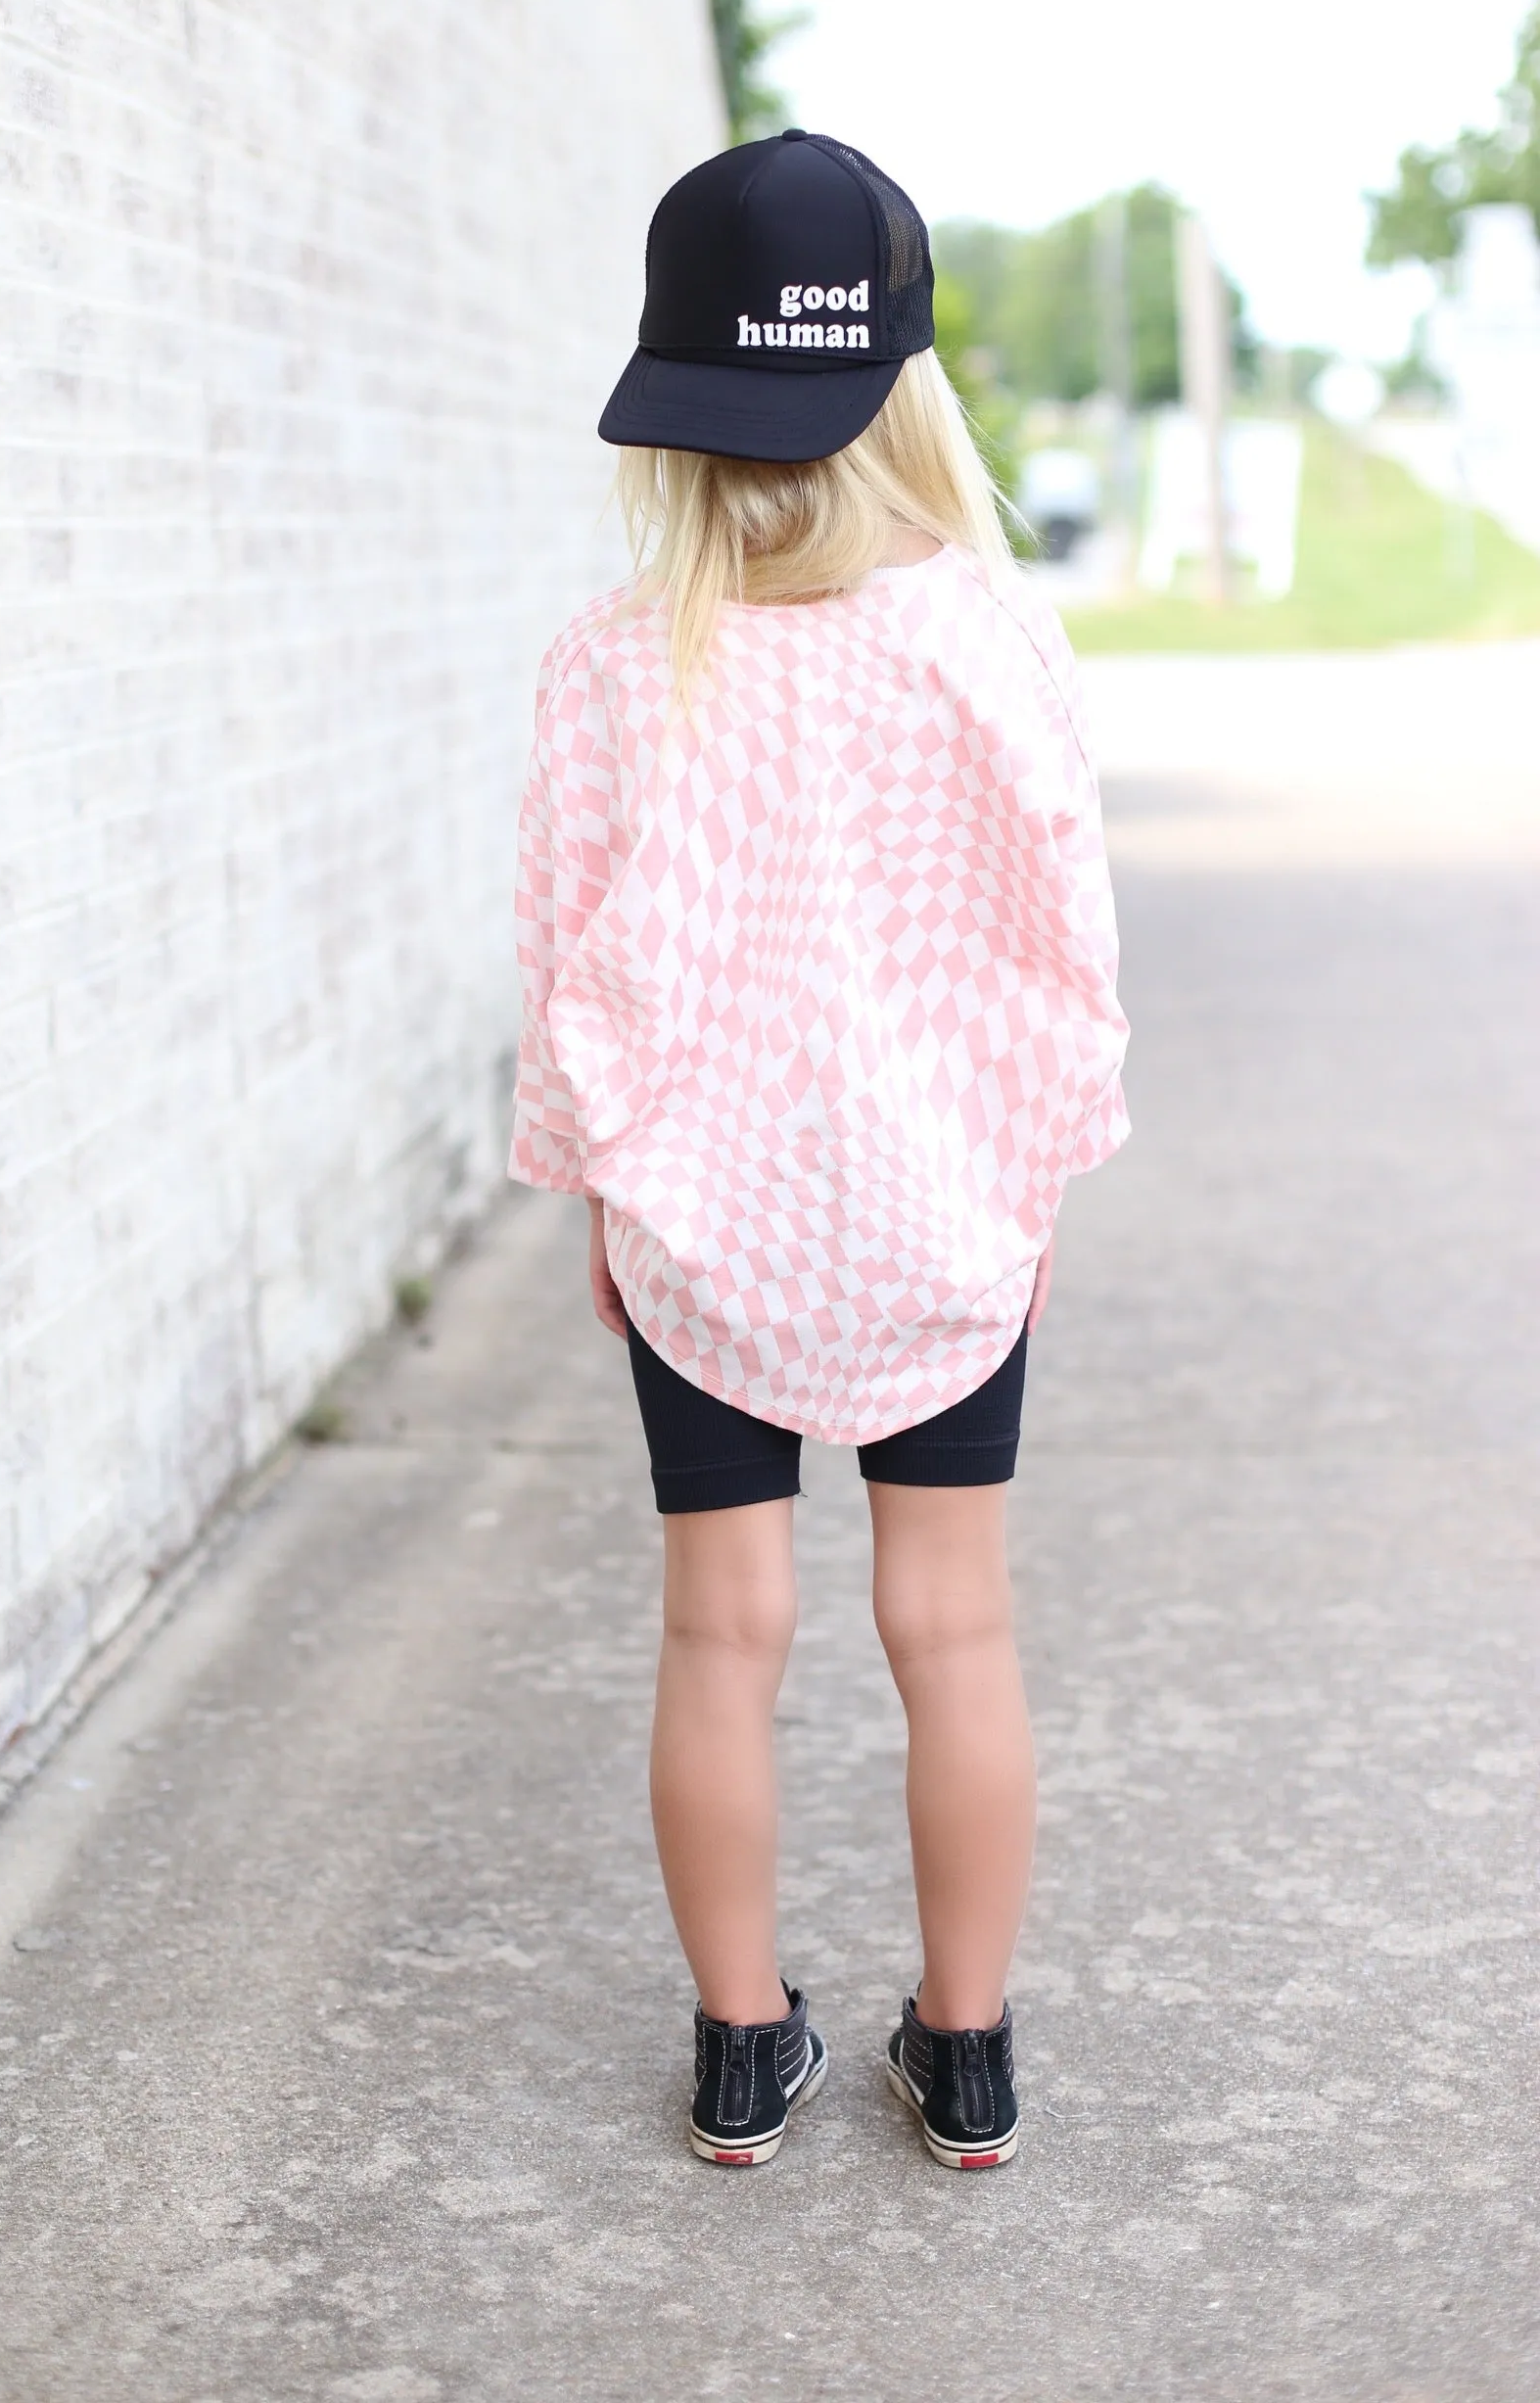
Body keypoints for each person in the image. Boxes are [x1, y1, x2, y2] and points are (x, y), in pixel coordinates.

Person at [509, 131, 1129, 2170]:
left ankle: (736, 2046)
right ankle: (965, 2058)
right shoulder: (998, 642)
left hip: (703, 1222)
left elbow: (569, 964)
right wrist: (1035, 1181)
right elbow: (1065, 961)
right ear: (908, 390)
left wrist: (600, 1187)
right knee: (953, 1627)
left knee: (722, 1627)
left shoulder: (616, 661)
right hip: (946, 1212)